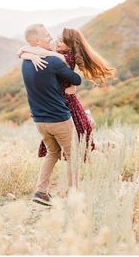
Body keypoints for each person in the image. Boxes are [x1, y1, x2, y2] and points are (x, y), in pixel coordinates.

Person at [18, 27, 116, 163]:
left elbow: (35, 51)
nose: (56, 42)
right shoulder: (58, 52)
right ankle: (91, 128)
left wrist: (30, 54)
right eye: (57, 39)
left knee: (79, 138)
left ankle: (88, 120)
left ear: (70, 45)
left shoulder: (66, 58)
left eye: (61, 41)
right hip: (59, 99)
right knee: (76, 138)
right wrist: (29, 55)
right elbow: (23, 51)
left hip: (66, 101)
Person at [20, 23, 82, 206]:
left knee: (53, 153)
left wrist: (28, 52)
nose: (51, 38)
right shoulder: (53, 62)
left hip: (40, 121)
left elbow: (24, 52)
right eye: (47, 35)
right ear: (37, 41)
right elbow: (76, 79)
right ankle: (73, 195)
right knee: (73, 155)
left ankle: (40, 191)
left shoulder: (25, 62)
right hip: (59, 119)